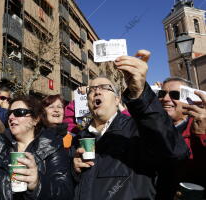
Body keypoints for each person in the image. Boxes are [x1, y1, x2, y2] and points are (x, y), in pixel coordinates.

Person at [72, 50, 188, 200]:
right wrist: (73, 171)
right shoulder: (79, 138)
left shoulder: (138, 130)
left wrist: (140, 93)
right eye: (92, 90)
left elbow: (175, 153)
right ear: (87, 102)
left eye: (104, 88)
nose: (97, 92)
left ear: (117, 99)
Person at [0, 96, 74, 200]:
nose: (11, 117)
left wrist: (38, 184)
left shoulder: (53, 146)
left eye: (19, 112)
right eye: (9, 114)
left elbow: (65, 192)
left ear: (35, 119)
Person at [158, 77, 206, 194]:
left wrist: (203, 135)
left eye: (174, 94)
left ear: (189, 99)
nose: (165, 99)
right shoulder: (153, 128)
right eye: (162, 93)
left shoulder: (200, 129)